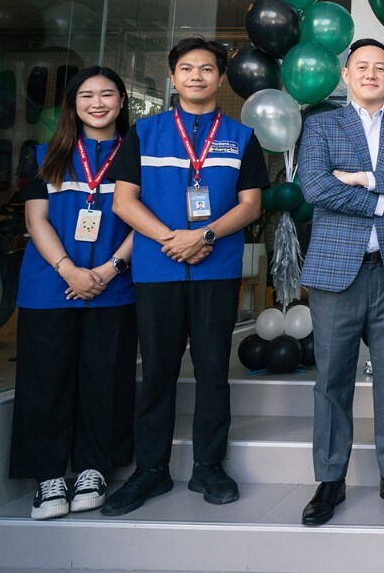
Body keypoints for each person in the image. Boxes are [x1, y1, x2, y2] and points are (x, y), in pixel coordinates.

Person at [101, 37, 267, 516]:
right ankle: (150, 470)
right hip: (157, 269)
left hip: (215, 268)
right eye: (188, 69)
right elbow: (124, 201)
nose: (197, 76)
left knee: (214, 371)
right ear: (173, 78)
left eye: (208, 69)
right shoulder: (144, 134)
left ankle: (209, 466)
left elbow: (250, 205)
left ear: (220, 79)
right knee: (156, 372)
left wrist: (205, 236)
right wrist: (173, 238)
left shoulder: (242, 137)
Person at [297, 38, 384, 526]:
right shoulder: (321, 126)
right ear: (346, 76)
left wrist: (361, 179)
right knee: (332, 378)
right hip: (337, 272)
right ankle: (330, 479)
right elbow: (315, 186)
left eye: (382, 67)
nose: (372, 74)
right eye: (363, 67)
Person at [10, 66, 136, 520]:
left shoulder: (136, 155)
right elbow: (36, 220)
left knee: (106, 379)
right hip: (50, 286)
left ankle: (93, 469)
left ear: (123, 102)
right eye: (87, 95)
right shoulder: (46, 155)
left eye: (107, 94)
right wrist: (69, 270)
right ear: (73, 104)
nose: (97, 103)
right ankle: (47, 475)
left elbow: (143, 220)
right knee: (44, 381)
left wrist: (108, 268)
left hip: (113, 284)